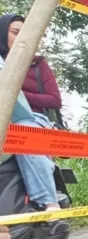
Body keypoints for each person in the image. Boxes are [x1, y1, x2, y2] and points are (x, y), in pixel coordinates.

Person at [0, 15, 60, 213]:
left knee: (24, 134)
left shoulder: (37, 64)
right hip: (4, 121)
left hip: (33, 119)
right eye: (15, 33)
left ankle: (49, 203)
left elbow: (54, 100)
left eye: (24, 33)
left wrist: (17, 94)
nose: (20, 38)